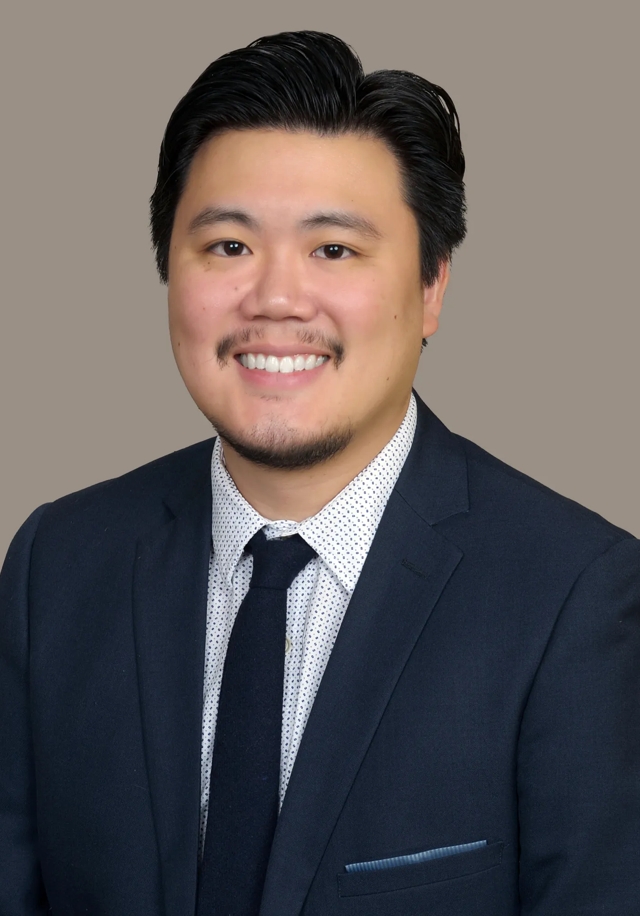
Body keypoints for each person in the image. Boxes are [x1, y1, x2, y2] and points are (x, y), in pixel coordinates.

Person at [0, 29, 638, 916]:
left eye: (333, 249)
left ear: (431, 287)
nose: (274, 299)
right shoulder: (59, 563)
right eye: (228, 246)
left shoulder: (576, 594)